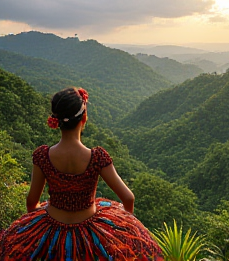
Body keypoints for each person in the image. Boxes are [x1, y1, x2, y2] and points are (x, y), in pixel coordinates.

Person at [0, 87, 163, 261]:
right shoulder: (97, 157)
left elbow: (31, 203)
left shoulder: (42, 156)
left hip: (50, 229)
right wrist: (125, 224)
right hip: (92, 235)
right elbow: (128, 198)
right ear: (84, 118)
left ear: (56, 120)